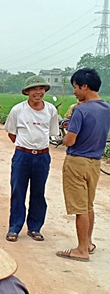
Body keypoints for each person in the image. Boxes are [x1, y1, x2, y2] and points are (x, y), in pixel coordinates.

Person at [56, 68, 110, 262]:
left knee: (79, 208)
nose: (74, 92)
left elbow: (70, 141)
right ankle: (88, 242)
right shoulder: (106, 108)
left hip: (77, 162)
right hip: (95, 163)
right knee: (88, 205)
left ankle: (81, 250)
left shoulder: (80, 110)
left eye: (76, 87)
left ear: (84, 86)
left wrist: (66, 132)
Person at [4, 75, 59, 243]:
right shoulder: (17, 110)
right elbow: (12, 133)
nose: (38, 92)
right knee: (18, 191)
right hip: (22, 156)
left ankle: (35, 227)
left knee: (38, 193)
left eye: (41, 88)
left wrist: (36, 149)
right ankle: (14, 227)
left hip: (42, 157)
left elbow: (51, 133)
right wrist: (25, 147)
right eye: (34, 89)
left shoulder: (50, 110)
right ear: (27, 91)